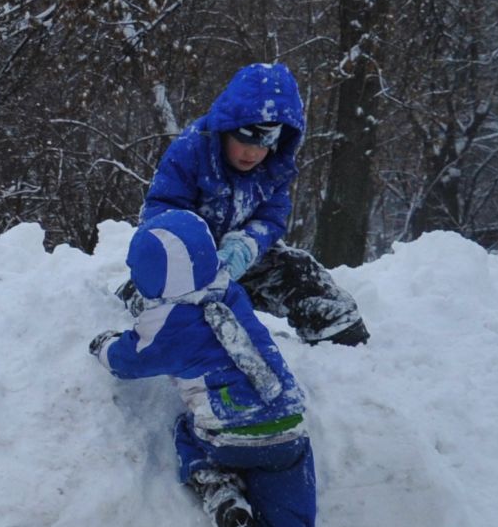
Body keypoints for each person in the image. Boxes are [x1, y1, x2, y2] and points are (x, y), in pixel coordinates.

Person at [91, 209, 326, 527]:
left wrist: (102, 344)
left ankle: (221, 495)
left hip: (228, 437)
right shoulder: (229, 291)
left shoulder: (167, 325)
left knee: (187, 432)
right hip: (286, 431)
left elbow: (127, 360)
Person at [139, 62, 369, 347]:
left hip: (240, 264)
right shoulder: (191, 151)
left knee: (301, 270)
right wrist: (195, 253)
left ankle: (337, 335)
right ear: (226, 127)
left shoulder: (274, 166)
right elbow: (161, 210)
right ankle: (151, 308)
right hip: (187, 269)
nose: (253, 151)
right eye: (245, 138)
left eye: (266, 141)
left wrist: (248, 244)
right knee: (168, 301)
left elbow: (272, 215)